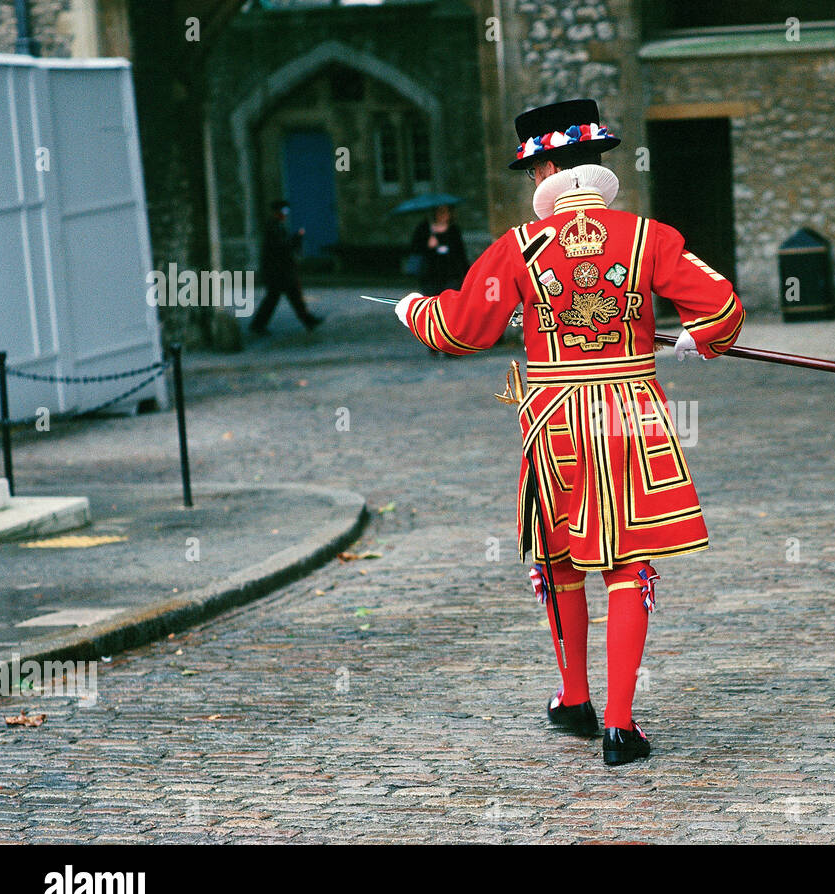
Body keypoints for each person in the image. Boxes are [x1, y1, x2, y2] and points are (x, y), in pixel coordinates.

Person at [391, 99, 744, 765]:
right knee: (625, 561)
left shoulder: (518, 247)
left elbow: (464, 328)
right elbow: (721, 305)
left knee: (558, 562)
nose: (531, 183)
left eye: (532, 171)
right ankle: (619, 725)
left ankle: (574, 697)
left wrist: (415, 311)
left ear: (549, 166)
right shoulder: (649, 238)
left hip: (553, 419)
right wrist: (704, 338)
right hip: (627, 416)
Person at [250, 199, 323, 335]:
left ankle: (307, 320)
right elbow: (281, 247)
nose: (285, 214)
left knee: (289, 297)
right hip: (277, 271)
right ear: (276, 212)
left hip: (281, 271)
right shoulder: (272, 227)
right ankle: (258, 325)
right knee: (276, 298)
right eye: (283, 211)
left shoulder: (277, 226)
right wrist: (296, 239)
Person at [409, 204, 469, 296]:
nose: (444, 215)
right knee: (432, 298)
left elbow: (460, 252)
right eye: (441, 212)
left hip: (450, 273)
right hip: (430, 273)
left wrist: (466, 271)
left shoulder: (453, 229)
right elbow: (415, 248)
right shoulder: (424, 228)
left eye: (447, 212)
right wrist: (427, 244)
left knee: (449, 298)